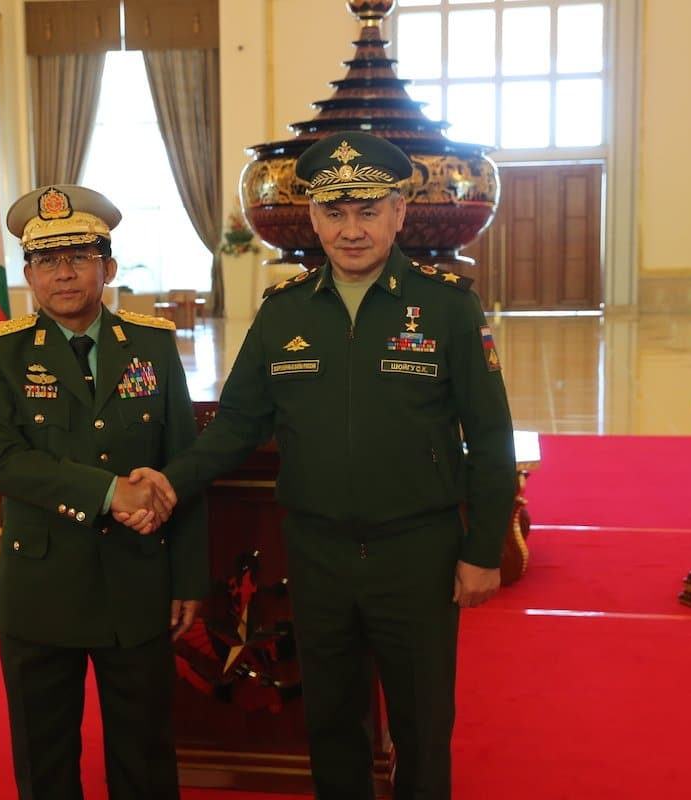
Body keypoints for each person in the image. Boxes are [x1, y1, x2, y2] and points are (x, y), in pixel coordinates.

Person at [123, 131, 517, 799]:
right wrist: (168, 480)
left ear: (399, 211)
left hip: (416, 553)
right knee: (331, 720)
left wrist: (482, 551)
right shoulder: (285, 313)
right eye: (335, 213)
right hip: (318, 553)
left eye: (368, 211)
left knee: (422, 725)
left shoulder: (448, 306)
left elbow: (490, 435)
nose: (351, 230)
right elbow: (238, 424)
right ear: (313, 217)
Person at [0, 184, 206, 800]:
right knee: (45, 761)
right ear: (29, 275)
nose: (64, 273)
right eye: (47, 260)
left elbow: (182, 462)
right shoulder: (1, 352)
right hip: (41, 588)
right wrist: (108, 492)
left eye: (79, 256)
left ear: (109, 267)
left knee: (145, 758)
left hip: (138, 582)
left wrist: (187, 578)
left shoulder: (151, 343)